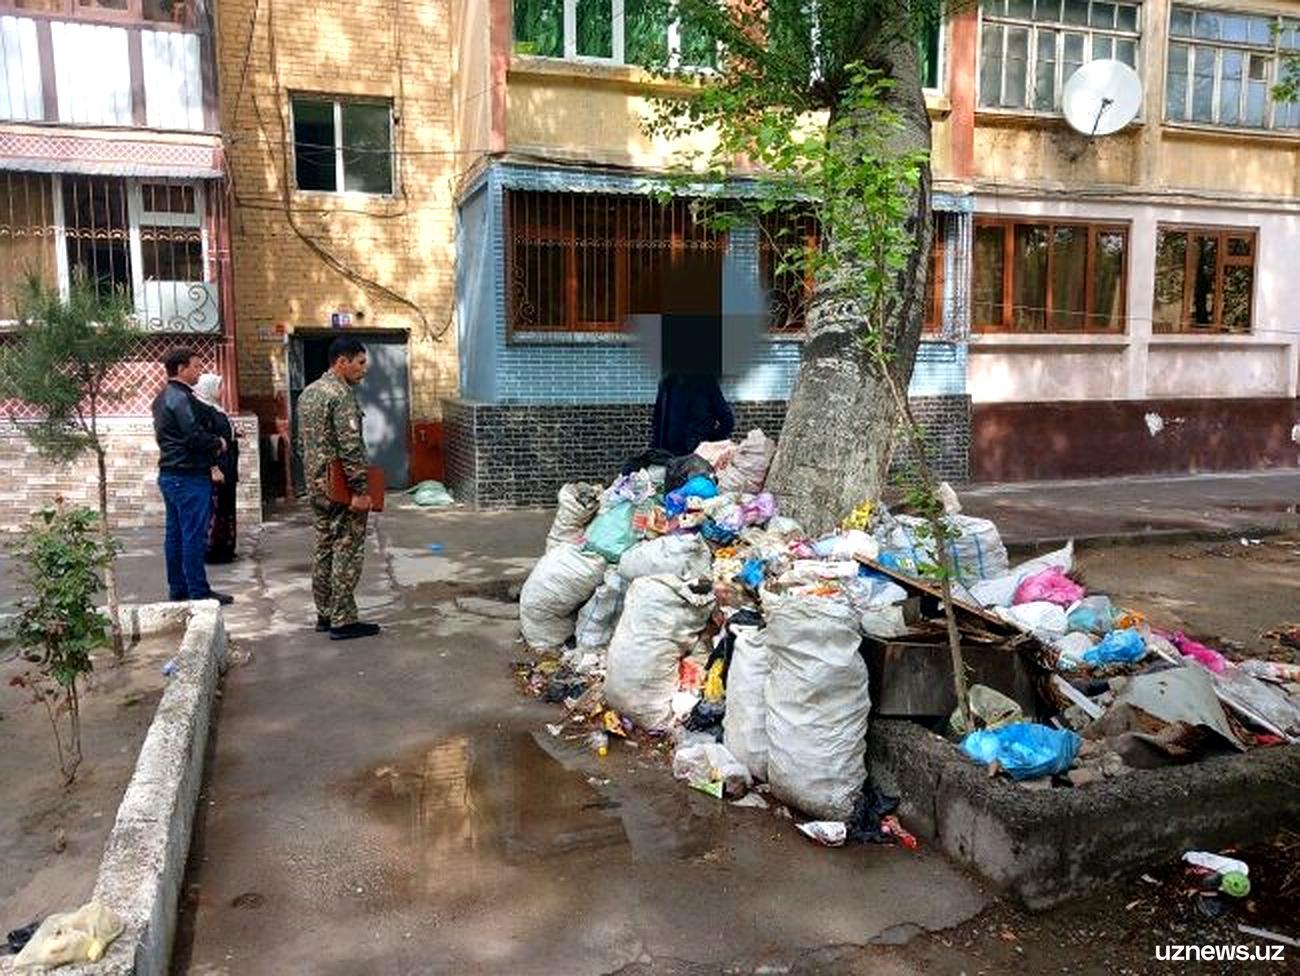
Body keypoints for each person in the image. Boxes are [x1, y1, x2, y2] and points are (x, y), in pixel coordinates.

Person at [297, 336, 380, 641]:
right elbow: (350, 447)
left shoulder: (309, 393)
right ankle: (343, 620)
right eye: (360, 362)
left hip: (317, 485)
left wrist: (315, 477)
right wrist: (360, 490)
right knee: (347, 548)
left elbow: (300, 444)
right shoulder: (341, 394)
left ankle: (325, 613)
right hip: (341, 487)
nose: (364, 369)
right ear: (342, 362)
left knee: (324, 547)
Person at [152, 347, 233, 605]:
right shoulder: (181, 398)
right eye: (196, 366)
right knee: (193, 536)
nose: (200, 372)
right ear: (181, 369)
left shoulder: (163, 396)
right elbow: (194, 436)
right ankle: (198, 591)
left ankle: (179, 588)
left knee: (176, 535)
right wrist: (218, 443)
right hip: (188, 475)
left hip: (171, 473)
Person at [193, 373, 240, 563]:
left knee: (226, 505)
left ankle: (226, 547)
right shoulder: (204, 411)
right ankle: (213, 550)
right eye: (219, 387)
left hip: (227, 464)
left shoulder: (216, 408)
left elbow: (222, 432)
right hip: (218, 465)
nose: (222, 391)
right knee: (216, 506)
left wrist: (234, 433)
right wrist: (213, 467)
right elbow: (206, 441)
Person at [649, 371, 735, 458]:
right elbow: (657, 421)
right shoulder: (666, 383)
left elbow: (727, 421)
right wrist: (655, 451)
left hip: (695, 456)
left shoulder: (706, 382)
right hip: (668, 456)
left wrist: (708, 442)